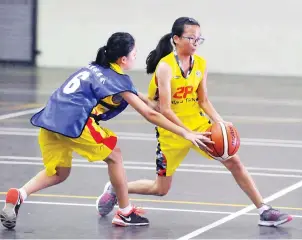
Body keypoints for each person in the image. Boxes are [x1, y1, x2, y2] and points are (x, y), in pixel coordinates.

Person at [0, 32, 214, 229]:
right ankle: (124, 212)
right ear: (123, 59)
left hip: (49, 120)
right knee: (115, 156)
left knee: (58, 173)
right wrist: (185, 132)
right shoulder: (119, 79)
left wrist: (148, 100)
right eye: (134, 53)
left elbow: (126, 91)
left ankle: (19, 194)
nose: (136, 55)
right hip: (76, 122)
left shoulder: (95, 67)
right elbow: (150, 115)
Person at [96, 17, 293, 227]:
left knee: (233, 160)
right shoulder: (165, 67)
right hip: (171, 132)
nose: (196, 43)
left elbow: (203, 100)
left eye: (199, 39)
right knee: (160, 189)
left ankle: (264, 210)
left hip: (199, 127)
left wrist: (220, 122)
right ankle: (116, 188)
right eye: (191, 38)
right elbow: (165, 110)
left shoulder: (200, 64)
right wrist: (186, 132)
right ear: (177, 39)